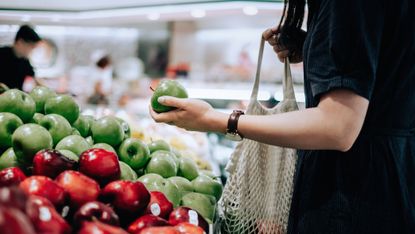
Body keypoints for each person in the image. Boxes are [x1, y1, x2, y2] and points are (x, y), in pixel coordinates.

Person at [150, 0, 415, 233]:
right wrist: (315, 45)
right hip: (389, 182)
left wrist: (217, 120)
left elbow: (338, 126)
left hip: (354, 194)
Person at [0, 25, 41, 90]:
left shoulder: (25, 61)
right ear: (20, 42)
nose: (31, 51)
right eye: (31, 46)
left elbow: (35, 79)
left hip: (17, 97)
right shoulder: (2, 54)